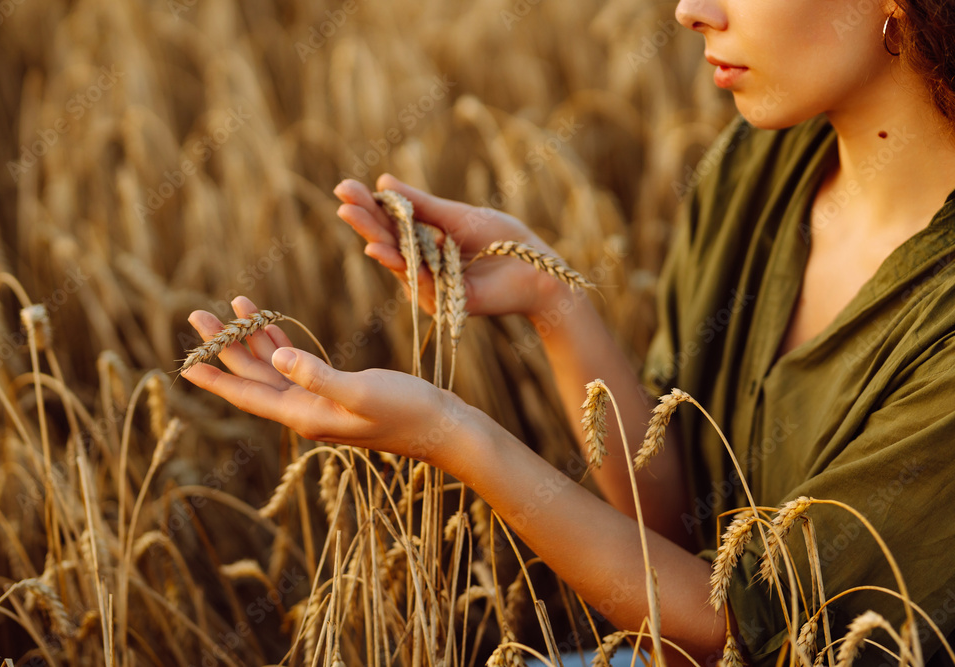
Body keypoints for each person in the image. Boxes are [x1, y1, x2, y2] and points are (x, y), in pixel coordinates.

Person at [181, 0, 955, 662]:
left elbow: (745, 631)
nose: (690, 9)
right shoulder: (757, 165)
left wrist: (454, 434)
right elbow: (675, 528)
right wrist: (553, 303)